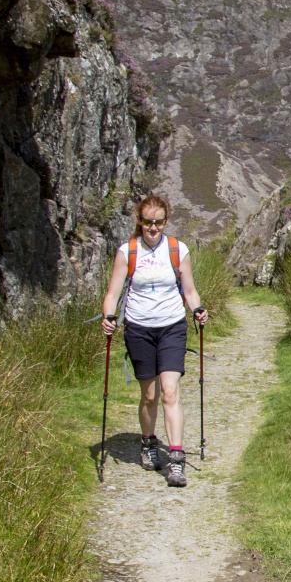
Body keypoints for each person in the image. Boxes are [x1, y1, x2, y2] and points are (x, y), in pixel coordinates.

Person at [100, 195, 207, 487]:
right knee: (150, 395)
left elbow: (190, 290)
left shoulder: (177, 249)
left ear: (166, 221)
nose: (153, 227)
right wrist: (109, 316)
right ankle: (148, 442)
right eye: (147, 221)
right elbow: (112, 293)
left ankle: (175, 459)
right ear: (139, 221)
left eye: (158, 221)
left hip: (172, 327)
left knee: (170, 392)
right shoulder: (128, 251)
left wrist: (197, 309)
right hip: (138, 328)